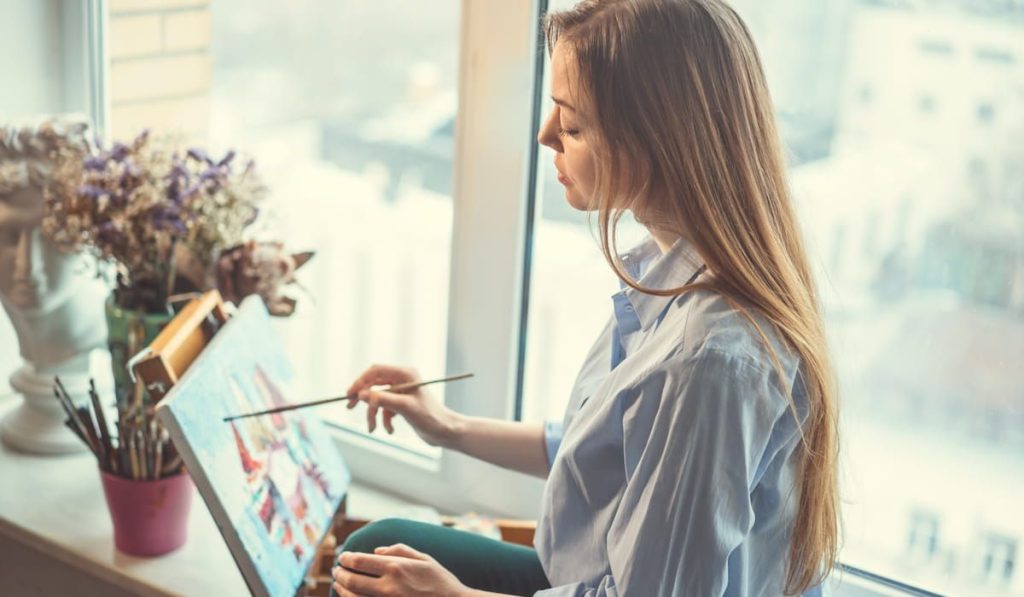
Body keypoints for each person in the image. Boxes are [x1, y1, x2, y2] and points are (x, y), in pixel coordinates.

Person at [332, 0, 839, 595]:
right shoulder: (665, 276)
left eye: (572, 125)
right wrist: (448, 427)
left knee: (370, 565)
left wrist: (454, 596)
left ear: (657, 140)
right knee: (371, 550)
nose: (546, 136)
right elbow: (596, 450)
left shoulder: (706, 361)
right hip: (583, 574)